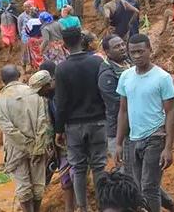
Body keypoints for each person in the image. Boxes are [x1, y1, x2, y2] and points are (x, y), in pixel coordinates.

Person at [115, 34, 174, 212]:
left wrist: (168, 147)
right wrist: (119, 143)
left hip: (155, 137)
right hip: (133, 139)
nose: (137, 56)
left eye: (141, 51)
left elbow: (170, 112)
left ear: (150, 50)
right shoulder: (126, 77)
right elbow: (123, 110)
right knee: (137, 185)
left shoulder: (162, 78)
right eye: (132, 52)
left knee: (149, 187)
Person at [54, 27, 108, 212]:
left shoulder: (61, 68)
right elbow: (104, 91)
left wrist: (59, 129)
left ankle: (82, 208)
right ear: (81, 40)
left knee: (78, 168)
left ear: (64, 45)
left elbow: (60, 103)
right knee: (99, 166)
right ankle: (102, 205)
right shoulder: (96, 62)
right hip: (99, 121)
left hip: (74, 126)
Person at [0, 65, 53, 212]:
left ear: (2, 80)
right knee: (38, 184)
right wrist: (36, 147)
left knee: (23, 186)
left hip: (15, 149)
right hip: (38, 146)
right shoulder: (35, 93)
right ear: (19, 75)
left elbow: (8, 129)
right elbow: (43, 121)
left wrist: (25, 145)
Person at [98, 35, 129, 160]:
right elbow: (117, 103)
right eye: (117, 47)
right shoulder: (107, 76)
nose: (122, 48)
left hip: (136, 127)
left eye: (122, 44)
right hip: (118, 130)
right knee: (125, 171)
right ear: (107, 52)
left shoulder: (129, 64)